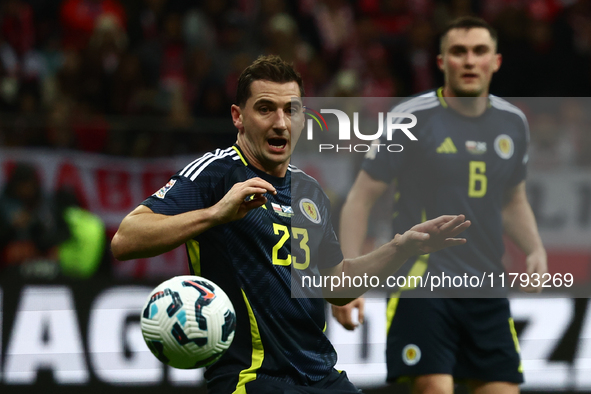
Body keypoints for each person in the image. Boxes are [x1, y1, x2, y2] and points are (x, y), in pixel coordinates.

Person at [111, 55, 470, 394]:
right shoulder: (216, 172)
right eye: (265, 109)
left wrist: (401, 248)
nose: (280, 122)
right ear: (238, 116)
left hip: (321, 376)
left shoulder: (310, 191)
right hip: (253, 379)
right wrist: (215, 214)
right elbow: (125, 239)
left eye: (290, 110)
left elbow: (336, 285)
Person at [332, 17, 547, 394]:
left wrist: (534, 248)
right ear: (441, 62)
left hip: (486, 287)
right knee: (434, 387)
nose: (468, 61)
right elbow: (360, 198)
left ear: (495, 62)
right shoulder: (410, 117)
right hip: (422, 283)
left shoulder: (514, 124)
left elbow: (513, 200)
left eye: (479, 51)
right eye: (458, 52)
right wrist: (349, 279)